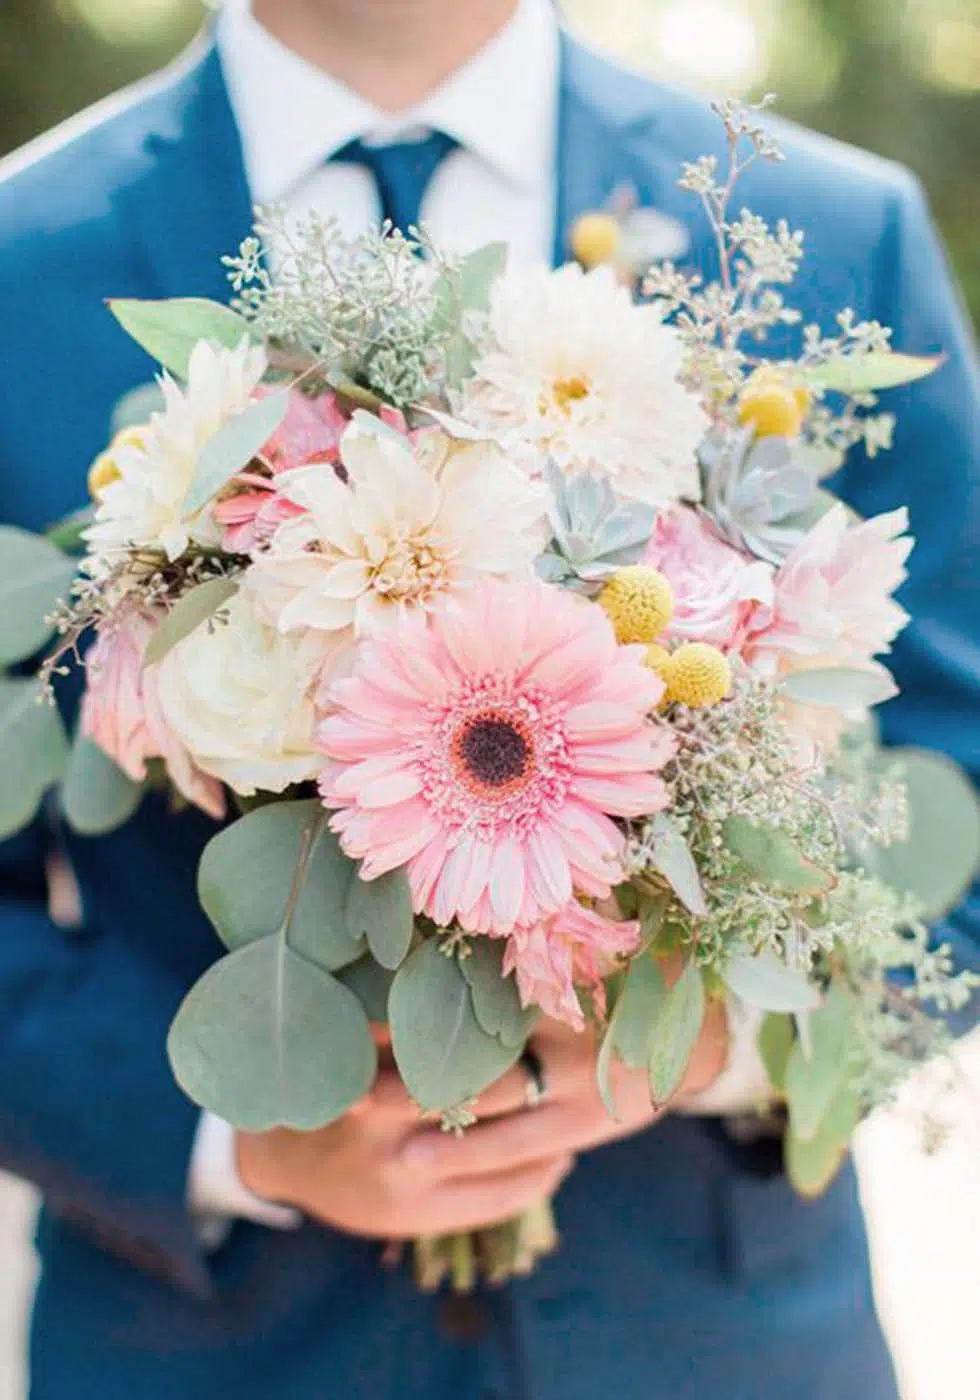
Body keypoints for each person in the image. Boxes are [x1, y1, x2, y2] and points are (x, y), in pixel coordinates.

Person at [0, 1, 977, 1397]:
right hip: (215, 1348)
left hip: (716, 1342)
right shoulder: (20, 262)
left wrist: (725, 1033)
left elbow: (963, 759)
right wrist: (239, 1130)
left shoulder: (835, 231)